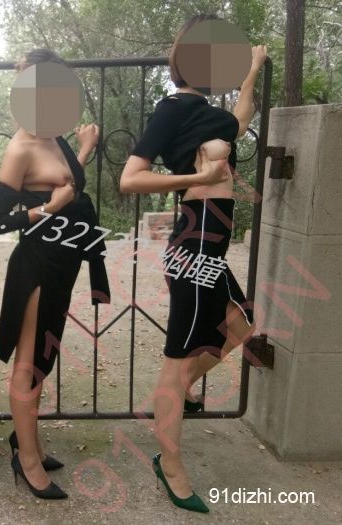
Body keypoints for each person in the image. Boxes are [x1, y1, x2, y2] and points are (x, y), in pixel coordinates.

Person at [120, 14, 267, 513]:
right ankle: (171, 464)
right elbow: (130, 178)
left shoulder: (210, 114)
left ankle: (176, 394)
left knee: (242, 326)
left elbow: (240, 120)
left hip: (213, 247)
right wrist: (195, 177)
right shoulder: (172, 109)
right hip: (195, 244)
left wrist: (253, 69)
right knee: (178, 362)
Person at [0, 49, 111, 500]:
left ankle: (28, 441)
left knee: (43, 357)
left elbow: (68, 182)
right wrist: (47, 209)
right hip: (37, 266)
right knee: (29, 364)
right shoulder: (20, 148)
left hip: (64, 264)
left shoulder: (55, 137)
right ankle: (27, 460)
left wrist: (84, 148)